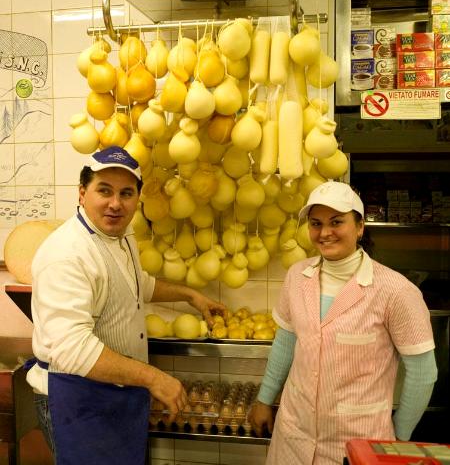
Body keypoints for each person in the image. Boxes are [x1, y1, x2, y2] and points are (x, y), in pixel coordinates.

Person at [26, 146, 227, 465]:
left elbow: (137, 285)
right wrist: (154, 378)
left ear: (138, 198)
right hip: (77, 402)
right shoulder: (67, 254)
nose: (116, 204)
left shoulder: (120, 235)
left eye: (126, 193)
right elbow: (72, 349)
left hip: (115, 396)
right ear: (82, 193)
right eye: (104, 191)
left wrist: (189, 295)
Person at [248, 181, 437, 465]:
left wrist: (399, 439)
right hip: (293, 434)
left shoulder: (396, 291)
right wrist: (264, 399)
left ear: (360, 227)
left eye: (337, 222)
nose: (325, 233)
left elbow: (422, 372)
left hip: (357, 442)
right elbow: (286, 341)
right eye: (316, 223)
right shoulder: (297, 277)